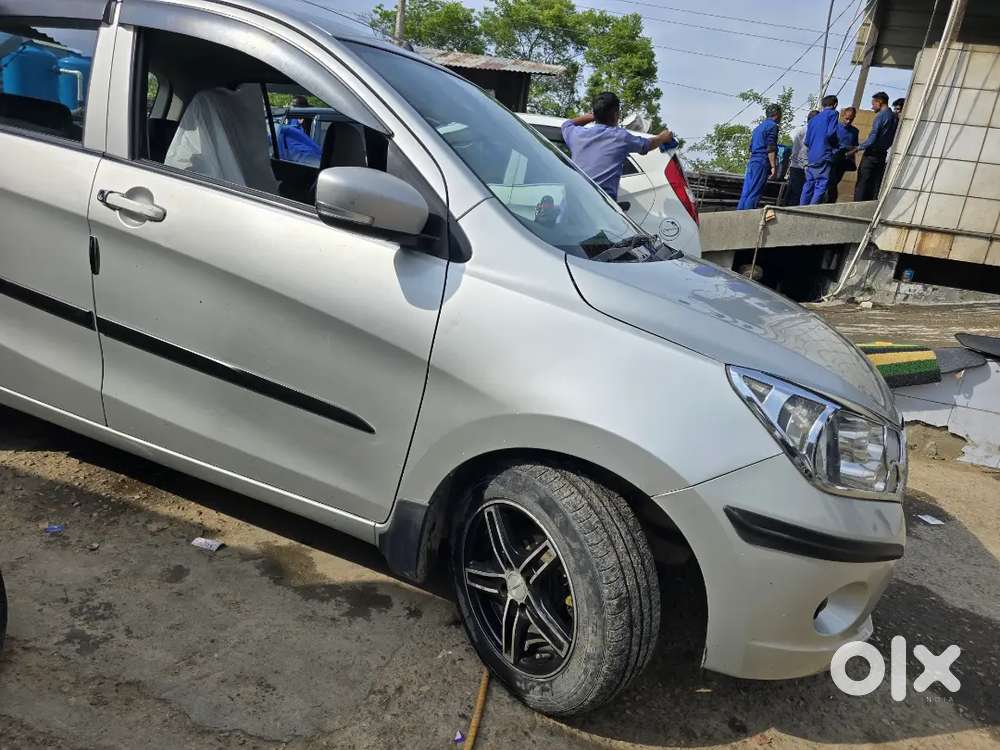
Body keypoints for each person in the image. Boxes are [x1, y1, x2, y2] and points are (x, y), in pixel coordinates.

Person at [562, 92, 675, 200]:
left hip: (573, 204)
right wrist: (662, 138)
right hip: (600, 206)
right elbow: (647, 145)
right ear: (616, 115)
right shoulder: (620, 137)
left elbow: (566, 125)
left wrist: (592, 116)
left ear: (595, 112)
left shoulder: (577, 135)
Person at [850, 91, 898, 201]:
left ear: (879, 102)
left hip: (871, 154)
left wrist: (857, 148)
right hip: (882, 156)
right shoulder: (894, 118)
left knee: (863, 183)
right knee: (875, 185)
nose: (872, 107)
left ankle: (856, 207)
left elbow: (872, 138)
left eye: (873, 104)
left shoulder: (880, 116)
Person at [736, 104, 782, 210]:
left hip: (752, 161)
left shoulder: (758, 128)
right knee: (754, 193)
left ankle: (738, 217)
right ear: (777, 114)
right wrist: (773, 167)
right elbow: (771, 148)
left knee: (746, 192)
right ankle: (748, 220)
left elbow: (751, 148)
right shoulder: (773, 126)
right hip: (761, 161)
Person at [800, 94, 841, 205]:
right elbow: (831, 133)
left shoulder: (813, 119)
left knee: (809, 183)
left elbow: (807, 141)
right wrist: (836, 145)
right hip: (824, 153)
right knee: (821, 184)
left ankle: (801, 208)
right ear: (835, 104)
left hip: (812, 156)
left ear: (823, 105)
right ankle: (811, 209)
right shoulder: (833, 114)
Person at [784, 109, 818, 206]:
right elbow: (804, 152)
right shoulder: (809, 132)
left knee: (792, 193)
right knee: (797, 194)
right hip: (801, 167)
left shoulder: (801, 130)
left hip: (795, 165)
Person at [826, 107, 859, 203]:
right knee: (830, 183)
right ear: (843, 115)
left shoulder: (854, 131)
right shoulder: (835, 127)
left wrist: (850, 151)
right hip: (832, 159)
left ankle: (830, 201)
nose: (848, 121)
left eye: (851, 119)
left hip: (844, 161)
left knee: (835, 181)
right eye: (847, 118)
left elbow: (855, 146)